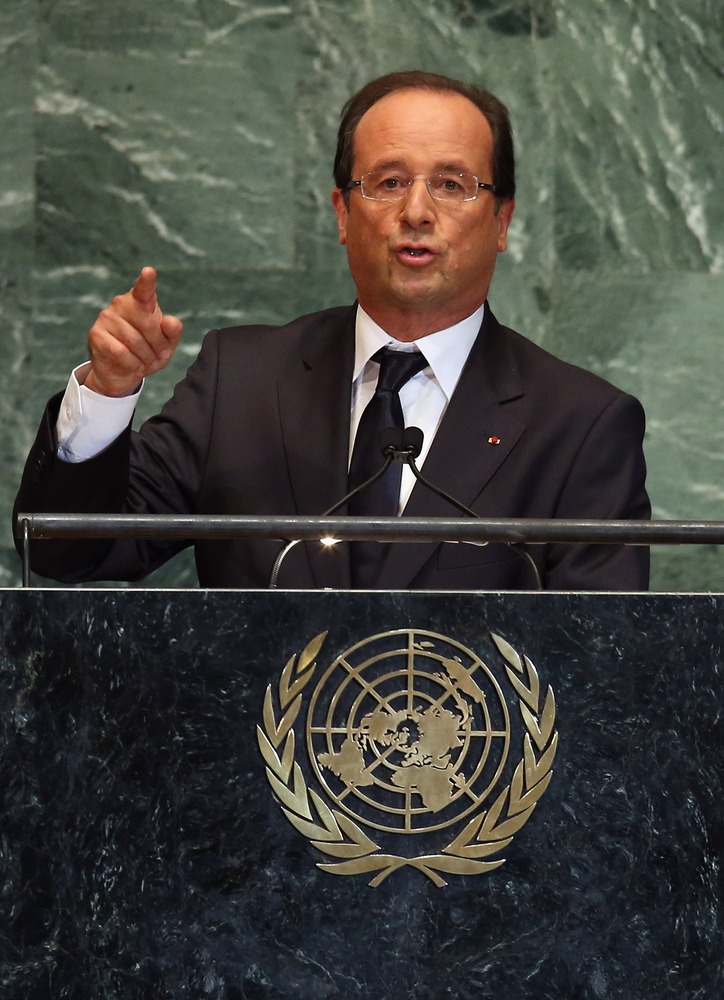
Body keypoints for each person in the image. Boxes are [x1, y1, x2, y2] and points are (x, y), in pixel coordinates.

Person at [14, 70, 650, 590]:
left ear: (502, 221)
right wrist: (108, 390)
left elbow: (603, 662)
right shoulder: (242, 382)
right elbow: (68, 552)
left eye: (452, 184)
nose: (417, 211)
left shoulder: (580, 425)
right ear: (343, 213)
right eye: (389, 182)